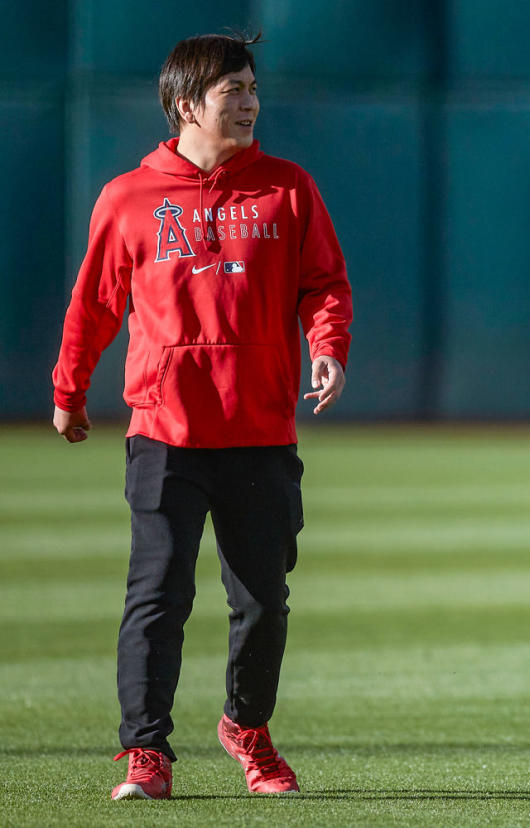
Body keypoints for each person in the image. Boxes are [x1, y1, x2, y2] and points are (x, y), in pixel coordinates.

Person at [52, 31, 353, 801]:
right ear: (187, 103)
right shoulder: (129, 197)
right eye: (233, 91)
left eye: (253, 88)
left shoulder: (288, 188)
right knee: (157, 598)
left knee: (262, 603)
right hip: (166, 430)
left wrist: (328, 344)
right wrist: (69, 390)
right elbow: (93, 305)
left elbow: (324, 282)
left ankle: (246, 727)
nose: (250, 103)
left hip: (259, 432)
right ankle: (145, 752)